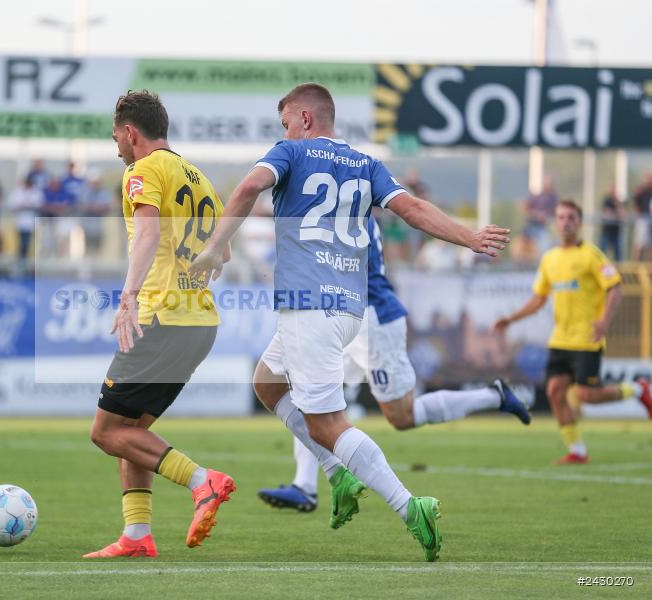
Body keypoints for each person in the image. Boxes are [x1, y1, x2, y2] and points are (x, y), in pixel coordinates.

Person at [190, 83, 510, 561]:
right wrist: (469, 238)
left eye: (284, 124)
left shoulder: (289, 153)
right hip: (347, 307)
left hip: (309, 308)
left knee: (327, 425)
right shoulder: (368, 165)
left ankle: (409, 506)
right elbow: (415, 210)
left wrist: (216, 245)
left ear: (303, 118)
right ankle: (337, 473)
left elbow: (249, 186)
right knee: (268, 384)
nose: (283, 132)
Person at [258, 217, 530, 513]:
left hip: (372, 320)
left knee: (402, 415)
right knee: (309, 392)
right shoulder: (346, 200)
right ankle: (306, 485)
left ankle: (494, 396)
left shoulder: (346, 209)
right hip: (341, 315)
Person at [83, 90, 234, 559]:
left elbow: (147, 231)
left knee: (106, 432)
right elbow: (222, 254)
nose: (117, 149)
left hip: (159, 318)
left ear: (131, 132)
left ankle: (201, 481)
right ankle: (136, 535)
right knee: (133, 431)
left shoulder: (143, 171)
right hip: (198, 321)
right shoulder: (200, 180)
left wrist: (128, 296)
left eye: (117, 138)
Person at [493, 200, 651, 464]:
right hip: (560, 339)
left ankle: (638, 389)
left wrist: (604, 321)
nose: (565, 222)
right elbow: (538, 298)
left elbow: (615, 288)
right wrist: (510, 319)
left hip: (586, 339)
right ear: (555, 223)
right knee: (555, 391)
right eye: (561, 217)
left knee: (587, 395)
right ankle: (577, 450)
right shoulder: (550, 258)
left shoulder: (591, 255)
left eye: (570, 218)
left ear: (579, 223)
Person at [8, 175, 43, 259]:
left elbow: (38, 204)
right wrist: (21, 205)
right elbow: (11, 205)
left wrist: (27, 205)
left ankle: (28, 262)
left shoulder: (36, 191)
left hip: (31, 222)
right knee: (20, 244)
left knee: (29, 244)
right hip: (20, 222)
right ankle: (21, 261)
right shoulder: (17, 191)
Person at [524, 175, 558, 253]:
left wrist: (548, 217)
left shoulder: (553, 197)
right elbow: (526, 208)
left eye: (549, 183)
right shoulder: (536, 196)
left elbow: (556, 211)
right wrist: (537, 214)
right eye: (546, 182)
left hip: (547, 227)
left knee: (547, 244)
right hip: (532, 226)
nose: (547, 185)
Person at [598, 184, 623, 262]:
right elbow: (607, 213)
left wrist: (617, 204)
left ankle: (619, 271)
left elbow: (622, 214)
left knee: (618, 254)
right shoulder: (606, 200)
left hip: (616, 231)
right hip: (606, 231)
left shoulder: (618, 201)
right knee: (603, 252)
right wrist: (615, 214)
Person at [632, 172, 652, 261]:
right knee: (639, 244)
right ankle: (636, 266)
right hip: (642, 220)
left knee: (649, 245)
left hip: (650, 220)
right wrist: (638, 215)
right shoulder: (641, 191)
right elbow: (635, 204)